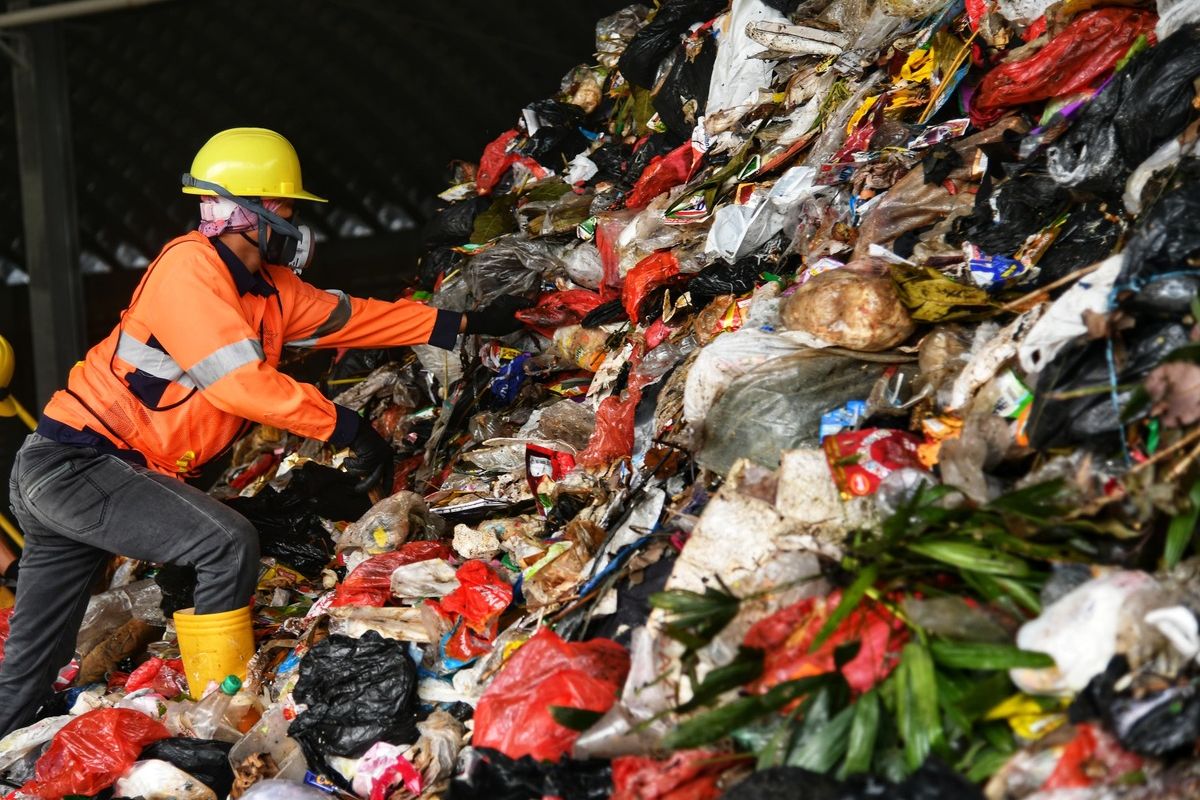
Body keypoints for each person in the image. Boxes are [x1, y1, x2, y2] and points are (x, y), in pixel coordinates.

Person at [0, 127, 526, 737]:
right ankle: (220, 717)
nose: (293, 220)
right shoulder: (189, 270)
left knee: (33, 659)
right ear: (239, 212)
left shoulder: (267, 291)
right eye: (283, 207)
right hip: (80, 463)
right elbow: (239, 384)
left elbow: (350, 317)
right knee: (225, 543)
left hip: (78, 469)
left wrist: (458, 322)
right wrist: (347, 427)